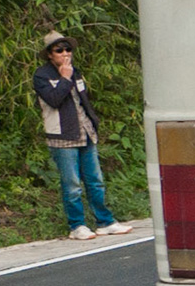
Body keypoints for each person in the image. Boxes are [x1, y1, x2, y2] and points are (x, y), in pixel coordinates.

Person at [33, 30, 131, 241]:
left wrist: (94, 122)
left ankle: (105, 222)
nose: (65, 53)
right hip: (62, 137)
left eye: (68, 49)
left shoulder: (75, 72)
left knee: (95, 181)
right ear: (50, 54)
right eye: (59, 50)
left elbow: (83, 101)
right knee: (72, 185)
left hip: (85, 132)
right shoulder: (42, 75)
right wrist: (64, 78)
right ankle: (77, 225)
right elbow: (54, 100)